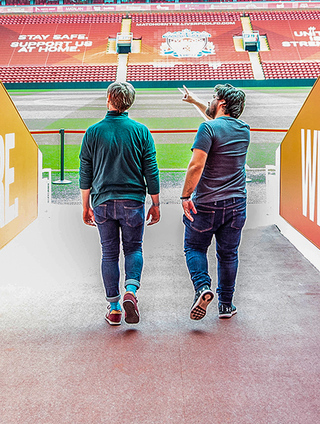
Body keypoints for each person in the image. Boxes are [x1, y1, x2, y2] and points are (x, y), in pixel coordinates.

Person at [79, 81, 161, 326]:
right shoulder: (141, 131)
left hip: (102, 202)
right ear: (129, 103)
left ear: (108, 98)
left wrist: (85, 206)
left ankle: (114, 308)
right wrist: (156, 203)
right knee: (134, 249)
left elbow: (85, 173)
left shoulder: (93, 132)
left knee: (109, 253)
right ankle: (131, 291)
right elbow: (151, 171)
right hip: (133, 202)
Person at [180, 84, 249, 320]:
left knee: (195, 248)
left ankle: (202, 287)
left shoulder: (207, 129)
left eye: (213, 98)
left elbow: (196, 165)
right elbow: (217, 123)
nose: (210, 101)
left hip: (206, 204)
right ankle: (226, 305)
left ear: (221, 103)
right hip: (237, 204)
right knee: (228, 254)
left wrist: (185, 196)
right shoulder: (244, 130)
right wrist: (196, 101)